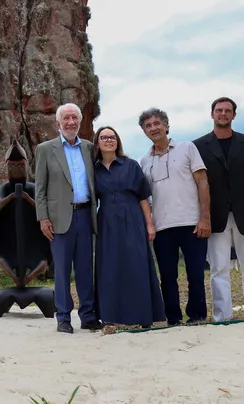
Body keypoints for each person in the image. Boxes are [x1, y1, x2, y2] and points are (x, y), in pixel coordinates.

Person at [193, 97, 244, 321]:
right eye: (219, 110)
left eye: (228, 110)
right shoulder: (198, 146)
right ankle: (222, 316)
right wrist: (201, 216)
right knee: (218, 268)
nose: (223, 114)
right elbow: (196, 184)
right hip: (215, 216)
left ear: (234, 115)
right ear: (212, 114)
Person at [138, 107, 210, 326]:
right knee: (168, 277)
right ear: (144, 132)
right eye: (148, 126)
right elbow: (144, 197)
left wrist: (205, 217)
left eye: (157, 123)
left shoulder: (187, 148)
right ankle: (173, 318)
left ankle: (197, 315)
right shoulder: (144, 161)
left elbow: (203, 182)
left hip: (191, 222)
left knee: (195, 274)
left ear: (166, 125)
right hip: (161, 226)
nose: (153, 128)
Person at [34, 103, 101, 334]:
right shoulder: (45, 149)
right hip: (58, 219)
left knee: (85, 269)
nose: (71, 122)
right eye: (66, 118)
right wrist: (43, 218)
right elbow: (40, 188)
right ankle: (63, 317)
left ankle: (88, 316)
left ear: (80, 122)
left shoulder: (89, 148)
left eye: (74, 118)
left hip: (85, 215)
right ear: (58, 123)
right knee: (62, 271)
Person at [91, 126, 165, 328]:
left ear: (118, 141)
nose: (109, 140)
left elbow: (143, 197)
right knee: (109, 268)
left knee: (136, 265)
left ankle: (142, 316)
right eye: (104, 137)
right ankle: (110, 316)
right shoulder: (93, 170)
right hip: (106, 222)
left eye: (112, 137)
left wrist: (149, 224)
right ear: (97, 143)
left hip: (132, 219)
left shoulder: (131, 165)